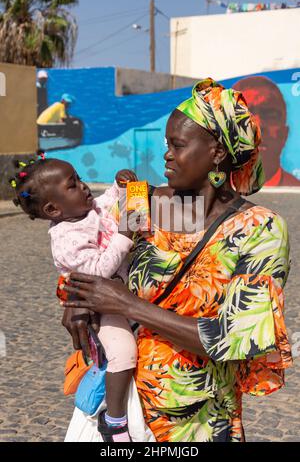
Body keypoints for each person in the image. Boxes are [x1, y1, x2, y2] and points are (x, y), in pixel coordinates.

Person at [61, 78, 293, 442]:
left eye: (177, 145)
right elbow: (97, 260)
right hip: (121, 411)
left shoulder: (259, 228)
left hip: (195, 421)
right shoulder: (141, 202)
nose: (165, 155)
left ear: (217, 152)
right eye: (166, 144)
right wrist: (76, 299)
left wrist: (129, 305)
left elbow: (236, 339)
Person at [9, 157, 144, 442]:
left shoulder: (85, 209)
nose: (83, 187)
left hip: (120, 296)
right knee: (123, 350)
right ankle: (115, 419)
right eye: (73, 185)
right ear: (53, 209)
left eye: (79, 178)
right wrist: (124, 236)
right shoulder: (65, 238)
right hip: (101, 306)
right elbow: (97, 273)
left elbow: (108, 203)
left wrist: (120, 188)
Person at [233, 76, 300, 186]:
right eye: (244, 116)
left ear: (284, 134)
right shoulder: (207, 191)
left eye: (270, 115)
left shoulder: (296, 191)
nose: (258, 125)